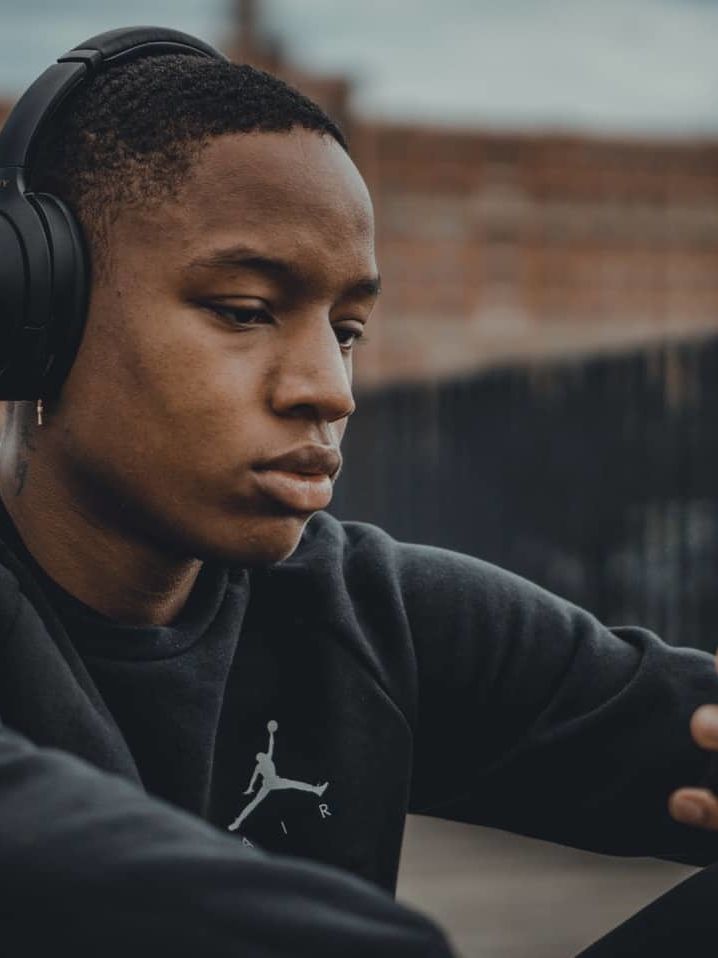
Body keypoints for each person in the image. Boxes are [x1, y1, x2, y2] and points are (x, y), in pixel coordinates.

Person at [1, 26, 718, 957]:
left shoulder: (367, 611)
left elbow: (665, 715)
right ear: (36, 315)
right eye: (246, 311)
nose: (330, 389)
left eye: (347, 329)